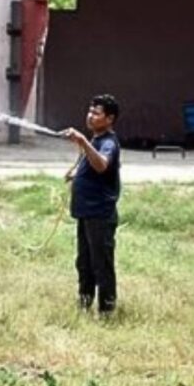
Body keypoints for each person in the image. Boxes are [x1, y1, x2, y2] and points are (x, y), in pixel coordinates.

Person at [61, 94, 121, 316]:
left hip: (100, 214)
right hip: (86, 213)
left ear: (109, 119)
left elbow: (102, 165)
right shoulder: (95, 141)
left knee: (101, 264)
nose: (90, 116)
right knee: (84, 263)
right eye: (90, 111)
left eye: (97, 113)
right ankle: (84, 303)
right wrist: (77, 174)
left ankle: (107, 311)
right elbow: (92, 169)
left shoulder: (108, 143)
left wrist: (83, 142)